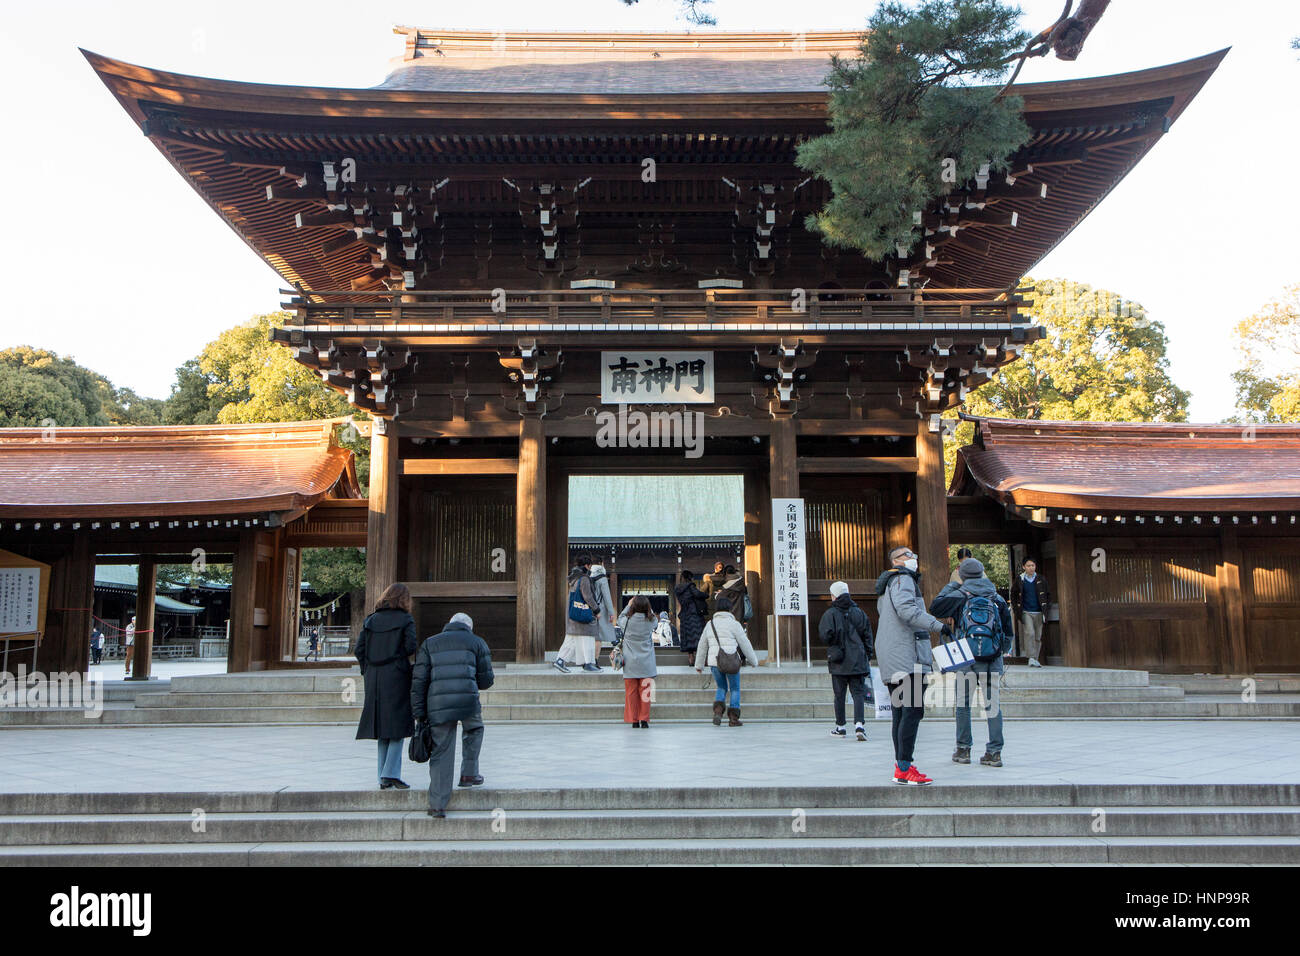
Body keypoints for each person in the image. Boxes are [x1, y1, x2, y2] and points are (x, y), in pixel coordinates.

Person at [874, 546, 951, 786]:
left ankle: (902, 766)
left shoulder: (888, 584)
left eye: (914, 555)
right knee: (913, 711)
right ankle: (904, 767)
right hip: (907, 658)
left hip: (893, 656)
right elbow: (908, 611)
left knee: (901, 712)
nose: (914, 558)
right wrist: (938, 626)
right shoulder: (903, 579)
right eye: (908, 555)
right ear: (897, 560)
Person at [930, 558, 1015, 767]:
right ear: (983, 573)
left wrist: (954, 584)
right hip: (992, 658)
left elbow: (935, 607)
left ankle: (963, 749)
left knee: (963, 703)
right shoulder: (997, 598)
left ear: (963, 575)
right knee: (992, 704)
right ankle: (995, 752)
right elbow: (1008, 631)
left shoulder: (959, 595)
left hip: (966, 657)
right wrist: (999, 651)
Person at [410, 612, 495, 819]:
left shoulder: (430, 643)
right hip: (467, 701)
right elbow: (486, 681)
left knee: (441, 751)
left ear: (449, 624)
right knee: (474, 729)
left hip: (438, 704)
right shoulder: (477, 642)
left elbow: (419, 681)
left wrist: (419, 712)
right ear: (469, 627)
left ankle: (438, 805)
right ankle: (469, 773)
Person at [354, 583, 419, 790]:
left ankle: (383, 775)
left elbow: (359, 649)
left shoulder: (371, 620)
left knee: (381, 727)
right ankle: (391, 773)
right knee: (397, 725)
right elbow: (410, 646)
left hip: (374, 676)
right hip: (396, 674)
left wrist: (367, 668)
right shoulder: (405, 619)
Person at [817, 581, 874, 741]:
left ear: (834, 595)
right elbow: (868, 636)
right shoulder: (860, 613)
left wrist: (835, 640)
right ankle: (859, 726)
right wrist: (868, 655)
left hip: (838, 660)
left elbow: (824, 635)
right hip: (858, 659)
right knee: (858, 693)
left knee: (839, 694)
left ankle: (841, 727)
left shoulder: (830, 614)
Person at [694, 595, 758, 726]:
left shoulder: (710, 624)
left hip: (714, 662)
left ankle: (718, 712)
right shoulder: (734, 624)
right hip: (731, 661)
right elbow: (744, 643)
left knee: (721, 687)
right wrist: (753, 661)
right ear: (730, 609)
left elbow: (702, 645)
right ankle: (733, 718)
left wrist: (699, 665)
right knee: (734, 689)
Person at [616, 595, 659, 727]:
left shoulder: (627, 621)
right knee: (646, 693)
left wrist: (628, 605)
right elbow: (655, 621)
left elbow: (619, 618)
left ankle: (634, 720)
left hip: (630, 663)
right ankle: (644, 719)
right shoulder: (651, 621)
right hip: (647, 663)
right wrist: (648, 608)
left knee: (631, 693)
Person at [555, 557, 600, 673]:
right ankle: (588, 663)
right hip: (583, 615)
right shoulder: (584, 579)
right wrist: (596, 610)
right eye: (590, 566)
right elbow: (588, 596)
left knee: (571, 639)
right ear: (586, 565)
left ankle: (560, 660)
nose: (590, 568)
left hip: (573, 614)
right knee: (587, 639)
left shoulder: (573, 579)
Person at [1010, 558, 1050, 667]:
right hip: (1026, 611)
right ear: (1024, 567)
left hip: (1039, 611)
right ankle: (1031, 657)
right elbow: (1013, 595)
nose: (1031, 567)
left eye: (1033, 565)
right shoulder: (1020, 579)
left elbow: (1047, 595)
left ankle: (1035, 659)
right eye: (1028, 565)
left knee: (1038, 636)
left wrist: (1046, 609)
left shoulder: (1041, 579)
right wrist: (1016, 609)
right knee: (1030, 633)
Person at [674, 570, 708, 666]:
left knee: (688, 637)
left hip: (684, 615)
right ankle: (702, 660)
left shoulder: (677, 588)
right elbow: (698, 594)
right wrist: (707, 595)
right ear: (690, 577)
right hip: (694, 614)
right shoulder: (690, 586)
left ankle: (691, 659)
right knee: (699, 637)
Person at [589, 562, 615, 671]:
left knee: (590, 637)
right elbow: (607, 597)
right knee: (598, 637)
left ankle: (588, 661)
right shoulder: (602, 579)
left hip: (589, 609)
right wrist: (611, 612)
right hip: (600, 610)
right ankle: (594, 660)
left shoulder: (589, 579)